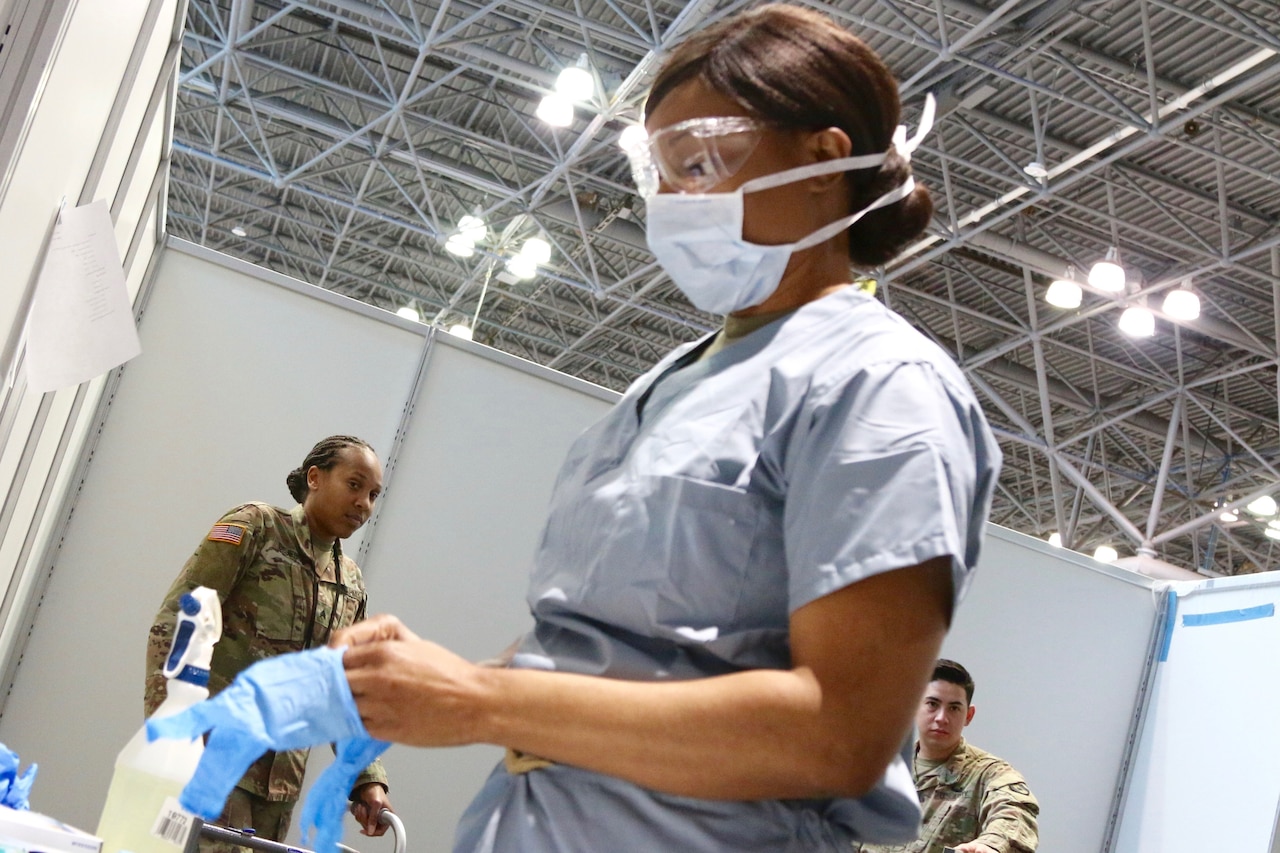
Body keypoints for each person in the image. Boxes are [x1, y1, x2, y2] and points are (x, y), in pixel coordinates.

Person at [334, 5, 1001, 851]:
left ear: (825, 159)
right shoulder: (679, 378)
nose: (677, 201)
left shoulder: (883, 389)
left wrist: (481, 700)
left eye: (704, 162)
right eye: (664, 174)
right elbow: (624, 648)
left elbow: (839, 730)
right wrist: (427, 679)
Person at [146, 435, 395, 851]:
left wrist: (366, 777)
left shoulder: (350, 583)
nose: (363, 504)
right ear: (315, 477)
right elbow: (177, 622)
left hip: (276, 791)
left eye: (373, 494)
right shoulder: (256, 529)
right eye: (354, 485)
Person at [857, 660, 1039, 853]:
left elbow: (1014, 814)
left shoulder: (990, 774)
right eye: (932, 704)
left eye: (954, 708)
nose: (941, 718)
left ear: (968, 716)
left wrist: (990, 845)